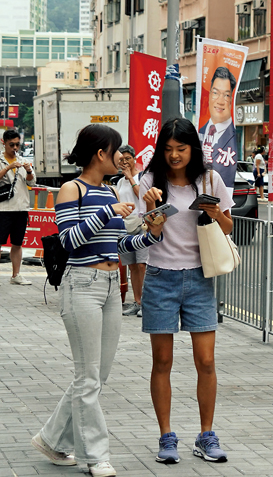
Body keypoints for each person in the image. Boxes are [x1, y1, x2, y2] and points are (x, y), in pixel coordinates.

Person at [31, 125, 164, 477]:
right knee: (88, 377)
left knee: (96, 376)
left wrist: (151, 233)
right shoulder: (70, 190)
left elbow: (120, 247)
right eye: (117, 150)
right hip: (81, 285)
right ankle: (96, 456)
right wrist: (108, 214)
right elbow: (70, 241)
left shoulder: (108, 192)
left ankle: (52, 439)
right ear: (100, 154)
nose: (122, 157)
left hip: (109, 286)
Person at [140, 117, 233, 465]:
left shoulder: (210, 179)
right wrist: (152, 210)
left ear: (193, 149)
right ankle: (166, 437)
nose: (174, 155)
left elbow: (227, 226)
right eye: (168, 150)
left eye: (180, 149)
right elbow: (150, 234)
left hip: (199, 278)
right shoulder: (150, 182)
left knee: (206, 361)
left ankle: (206, 435)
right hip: (160, 277)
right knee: (162, 361)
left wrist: (212, 212)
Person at [114, 145, 146, 317]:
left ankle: (146, 304)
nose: (125, 162)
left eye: (128, 158)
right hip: (125, 227)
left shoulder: (142, 176)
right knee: (132, 266)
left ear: (134, 158)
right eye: (121, 159)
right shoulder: (120, 182)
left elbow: (143, 196)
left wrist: (131, 178)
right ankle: (137, 301)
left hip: (141, 225)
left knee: (142, 265)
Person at [0, 129, 34, 285]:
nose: (14, 148)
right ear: (3, 143)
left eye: (17, 145)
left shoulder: (22, 160)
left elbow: (31, 183)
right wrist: (8, 167)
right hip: (3, 209)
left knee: (17, 243)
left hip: (21, 208)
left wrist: (28, 172)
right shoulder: (1, 160)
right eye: (11, 145)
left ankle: (16, 275)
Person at [198, 66, 238, 191]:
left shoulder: (232, 137)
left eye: (226, 95)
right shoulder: (199, 132)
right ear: (209, 96)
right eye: (215, 93)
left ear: (231, 100)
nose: (220, 101)